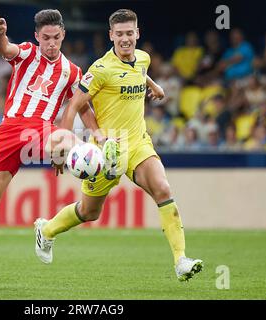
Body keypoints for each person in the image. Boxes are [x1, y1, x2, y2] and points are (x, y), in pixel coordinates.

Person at [34, 9, 203, 282]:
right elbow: (74, 105)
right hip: (104, 151)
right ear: (111, 35)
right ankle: (48, 230)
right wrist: (60, 149)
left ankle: (180, 260)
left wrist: (155, 86)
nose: (125, 39)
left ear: (137, 33)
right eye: (120, 34)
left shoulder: (144, 58)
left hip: (137, 142)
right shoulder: (100, 70)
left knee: (162, 189)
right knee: (90, 212)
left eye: (129, 33)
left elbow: (139, 69)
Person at [0, 9, 95, 290]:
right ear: (36, 37)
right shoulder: (28, 53)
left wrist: (97, 136)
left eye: (55, 37)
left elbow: (82, 107)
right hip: (8, 131)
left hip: (39, 129)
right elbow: (5, 49)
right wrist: (0, 35)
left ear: (63, 35)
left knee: (71, 142)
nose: (51, 43)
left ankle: (51, 223)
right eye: (45, 38)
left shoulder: (72, 72)